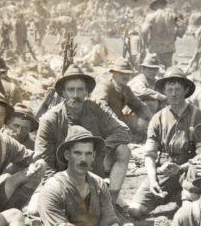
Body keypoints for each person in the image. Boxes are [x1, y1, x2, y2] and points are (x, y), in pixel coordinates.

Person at [38, 126, 142, 226]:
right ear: (67, 155)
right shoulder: (53, 187)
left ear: (94, 156)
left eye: (88, 154)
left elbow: (109, 222)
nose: (83, 159)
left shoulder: (98, 184)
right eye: (77, 153)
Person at [35, 64, 132, 202]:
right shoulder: (50, 119)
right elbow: (44, 159)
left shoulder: (97, 108)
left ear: (87, 92)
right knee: (34, 210)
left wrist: (101, 148)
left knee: (123, 150)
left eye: (80, 90)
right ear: (63, 93)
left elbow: (123, 131)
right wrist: (58, 187)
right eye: (71, 90)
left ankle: (111, 201)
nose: (76, 95)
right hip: (64, 172)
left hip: (94, 164)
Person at [128, 67, 201, 219]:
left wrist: (182, 168)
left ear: (186, 90)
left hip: (189, 169)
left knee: (188, 214)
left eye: (178, 89)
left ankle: (183, 197)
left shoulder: (198, 115)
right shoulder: (158, 118)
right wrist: (152, 180)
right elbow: (150, 154)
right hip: (164, 170)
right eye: (169, 89)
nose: (174, 93)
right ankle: (174, 196)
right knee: (135, 210)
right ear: (164, 91)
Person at [0, 89, 45, 210]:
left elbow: (32, 157)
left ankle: (11, 210)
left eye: (0, 115)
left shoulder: (3, 141)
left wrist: (37, 164)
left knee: (40, 167)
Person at [91, 58, 153, 124]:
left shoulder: (125, 89)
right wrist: (117, 122)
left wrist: (152, 120)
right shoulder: (104, 85)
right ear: (114, 73)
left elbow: (139, 105)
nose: (125, 76)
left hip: (115, 122)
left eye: (128, 74)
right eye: (122, 73)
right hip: (98, 122)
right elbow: (100, 104)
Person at [141, 0, 177, 68]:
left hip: (155, 48)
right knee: (168, 71)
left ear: (154, 5)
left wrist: (146, 44)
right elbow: (180, 30)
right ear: (163, 5)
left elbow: (144, 31)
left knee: (156, 70)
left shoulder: (150, 17)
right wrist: (173, 37)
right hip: (168, 49)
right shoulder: (171, 16)